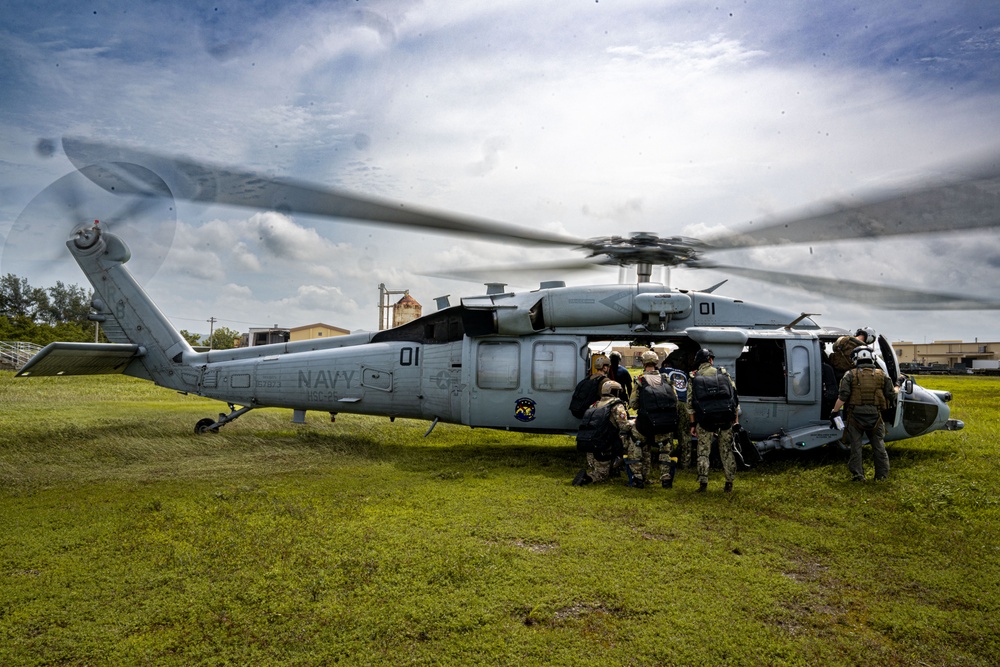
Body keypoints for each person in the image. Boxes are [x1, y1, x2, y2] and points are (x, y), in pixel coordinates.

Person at [831, 346, 897, 482]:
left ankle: (858, 475)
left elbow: (843, 397)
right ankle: (881, 476)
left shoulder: (850, 374)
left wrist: (834, 411)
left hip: (855, 416)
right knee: (879, 447)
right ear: (872, 357)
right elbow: (891, 394)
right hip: (876, 416)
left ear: (856, 358)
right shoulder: (882, 375)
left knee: (856, 447)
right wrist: (898, 385)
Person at [688, 348, 740, 493]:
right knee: (726, 451)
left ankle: (703, 483)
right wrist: (735, 421)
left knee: (703, 452)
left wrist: (693, 424)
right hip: (725, 419)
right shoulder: (723, 374)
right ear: (711, 360)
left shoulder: (694, 377)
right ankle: (729, 483)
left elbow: (690, 405)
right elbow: (735, 400)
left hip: (705, 421)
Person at [572, 381, 633, 486]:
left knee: (601, 469)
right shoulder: (616, 405)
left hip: (592, 444)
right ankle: (586, 478)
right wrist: (633, 422)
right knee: (602, 475)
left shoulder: (595, 404)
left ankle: (610, 469)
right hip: (605, 445)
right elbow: (624, 426)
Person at [660, 356, 693, 469]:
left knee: (668, 432)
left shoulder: (662, 371)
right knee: (685, 434)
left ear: (665, 365)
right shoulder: (683, 373)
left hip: (671, 403)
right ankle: (685, 462)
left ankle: (667, 460)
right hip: (684, 403)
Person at [568, 354, 613, 419]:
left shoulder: (589, 377)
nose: (609, 368)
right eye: (608, 367)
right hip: (593, 411)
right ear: (605, 368)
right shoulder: (605, 380)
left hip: (581, 409)